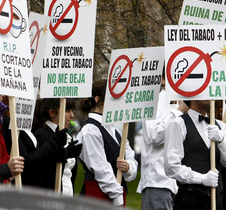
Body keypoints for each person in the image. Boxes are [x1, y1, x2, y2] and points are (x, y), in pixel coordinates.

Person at [164, 100, 226, 210]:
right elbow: (171, 167)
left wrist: (221, 140)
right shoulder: (178, 124)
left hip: (216, 200)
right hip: (190, 200)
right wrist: (202, 179)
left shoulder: (220, 126)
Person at [76, 79, 138, 207]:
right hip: (98, 195)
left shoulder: (117, 131)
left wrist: (128, 167)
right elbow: (100, 169)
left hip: (117, 193)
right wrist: (117, 197)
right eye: (113, 98)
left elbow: (131, 158)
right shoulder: (91, 130)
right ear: (98, 100)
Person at [137, 75, 189, 210]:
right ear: (163, 80)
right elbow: (155, 135)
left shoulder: (183, 103)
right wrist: (178, 112)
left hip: (181, 183)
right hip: (158, 182)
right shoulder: (152, 101)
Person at [34, 98, 82, 192]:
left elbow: (71, 174)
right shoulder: (42, 135)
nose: (72, 115)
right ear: (52, 113)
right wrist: (64, 154)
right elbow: (43, 170)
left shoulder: (67, 137)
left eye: (72, 111)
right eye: (67, 111)